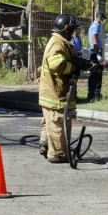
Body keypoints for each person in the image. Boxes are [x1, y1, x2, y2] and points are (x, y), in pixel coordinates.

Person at [38, 14, 81, 163]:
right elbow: (57, 65)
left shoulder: (58, 41)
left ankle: (44, 144)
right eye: (74, 30)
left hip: (52, 92)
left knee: (50, 122)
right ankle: (58, 154)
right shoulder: (58, 43)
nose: (75, 34)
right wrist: (73, 67)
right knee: (57, 124)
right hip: (55, 94)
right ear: (66, 30)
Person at [87, 12, 107, 102]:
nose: (102, 20)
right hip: (95, 51)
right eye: (102, 18)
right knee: (97, 73)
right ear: (99, 17)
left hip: (95, 51)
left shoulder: (94, 25)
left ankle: (92, 93)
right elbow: (94, 38)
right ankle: (96, 94)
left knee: (94, 73)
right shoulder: (96, 26)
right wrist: (97, 52)